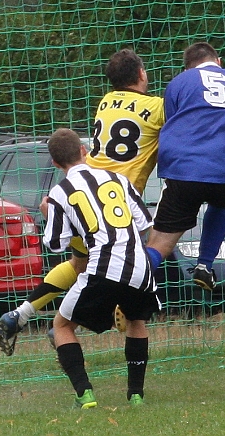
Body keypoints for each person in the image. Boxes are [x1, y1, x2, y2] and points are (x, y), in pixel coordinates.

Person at [0, 49, 165, 355]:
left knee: (79, 263)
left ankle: (20, 314)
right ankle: (81, 320)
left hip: (82, 197)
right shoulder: (156, 107)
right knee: (144, 250)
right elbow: (178, 125)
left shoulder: (105, 102)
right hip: (114, 203)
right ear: (142, 74)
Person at [42, 128, 160, 409]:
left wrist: (48, 214)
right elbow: (144, 223)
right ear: (84, 150)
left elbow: (55, 244)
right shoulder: (118, 178)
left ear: (56, 163)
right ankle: (136, 395)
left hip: (103, 266)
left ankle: (85, 394)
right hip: (140, 266)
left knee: (62, 326)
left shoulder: (59, 192)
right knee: (136, 321)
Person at [143, 42, 225, 289]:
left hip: (185, 173)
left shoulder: (178, 83)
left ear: (188, 68)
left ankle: (127, 283)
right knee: (222, 201)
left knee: (159, 244)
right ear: (218, 61)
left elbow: (174, 127)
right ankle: (204, 265)